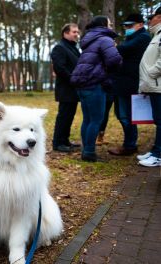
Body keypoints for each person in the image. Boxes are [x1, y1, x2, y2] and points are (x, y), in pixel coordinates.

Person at [70, 16, 122, 162]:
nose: (111, 26)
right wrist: (117, 55)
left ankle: (86, 150)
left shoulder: (89, 40)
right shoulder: (105, 40)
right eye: (110, 24)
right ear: (104, 25)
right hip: (95, 84)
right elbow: (114, 60)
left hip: (83, 84)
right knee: (96, 119)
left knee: (87, 119)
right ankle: (89, 153)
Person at [108, 13, 151, 156]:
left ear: (140, 24)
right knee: (123, 115)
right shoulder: (132, 37)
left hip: (130, 83)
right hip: (123, 83)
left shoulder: (143, 37)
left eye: (129, 25)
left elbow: (123, 50)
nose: (126, 28)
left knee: (127, 117)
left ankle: (129, 145)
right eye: (125, 26)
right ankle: (129, 143)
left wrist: (112, 46)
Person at [50, 23, 81, 152]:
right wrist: (73, 79)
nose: (76, 34)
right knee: (63, 116)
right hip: (66, 88)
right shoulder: (59, 48)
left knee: (70, 115)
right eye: (74, 32)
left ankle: (65, 140)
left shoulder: (73, 47)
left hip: (73, 88)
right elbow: (60, 68)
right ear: (66, 33)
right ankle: (57, 143)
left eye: (77, 32)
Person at [137, 7, 161, 167]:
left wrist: (151, 74)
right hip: (154, 86)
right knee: (159, 120)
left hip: (158, 86)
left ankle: (158, 155)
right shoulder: (157, 35)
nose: (149, 20)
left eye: (151, 16)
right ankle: (155, 151)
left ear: (159, 17)